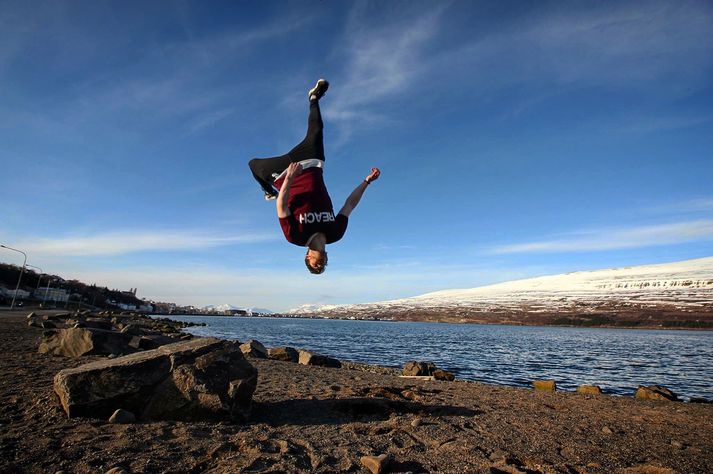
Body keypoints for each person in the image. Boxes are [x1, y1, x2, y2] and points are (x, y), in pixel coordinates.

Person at [248, 79, 380, 274]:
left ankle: (267, 190)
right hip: (312, 163)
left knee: (253, 165)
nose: (321, 265)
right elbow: (349, 205)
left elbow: (282, 206)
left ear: (307, 257)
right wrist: (366, 182)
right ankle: (314, 98)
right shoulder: (336, 233)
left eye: (315, 266)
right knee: (317, 131)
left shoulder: (296, 237)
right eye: (322, 266)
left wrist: (290, 178)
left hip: (285, 175)